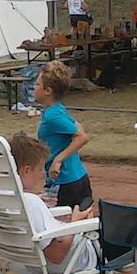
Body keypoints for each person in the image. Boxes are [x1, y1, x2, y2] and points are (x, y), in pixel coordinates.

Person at [0, 132, 98, 274]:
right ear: (26, 170)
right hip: (67, 262)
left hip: (22, 264)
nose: (41, 175)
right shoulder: (30, 202)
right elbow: (57, 256)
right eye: (39, 169)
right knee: (115, 239)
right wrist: (76, 223)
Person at [34, 61, 92, 211]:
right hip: (78, 176)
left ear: (47, 90)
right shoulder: (58, 109)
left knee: (56, 225)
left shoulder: (52, 116)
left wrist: (58, 159)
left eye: (37, 84)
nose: (34, 87)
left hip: (64, 182)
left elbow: (82, 137)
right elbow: (77, 127)